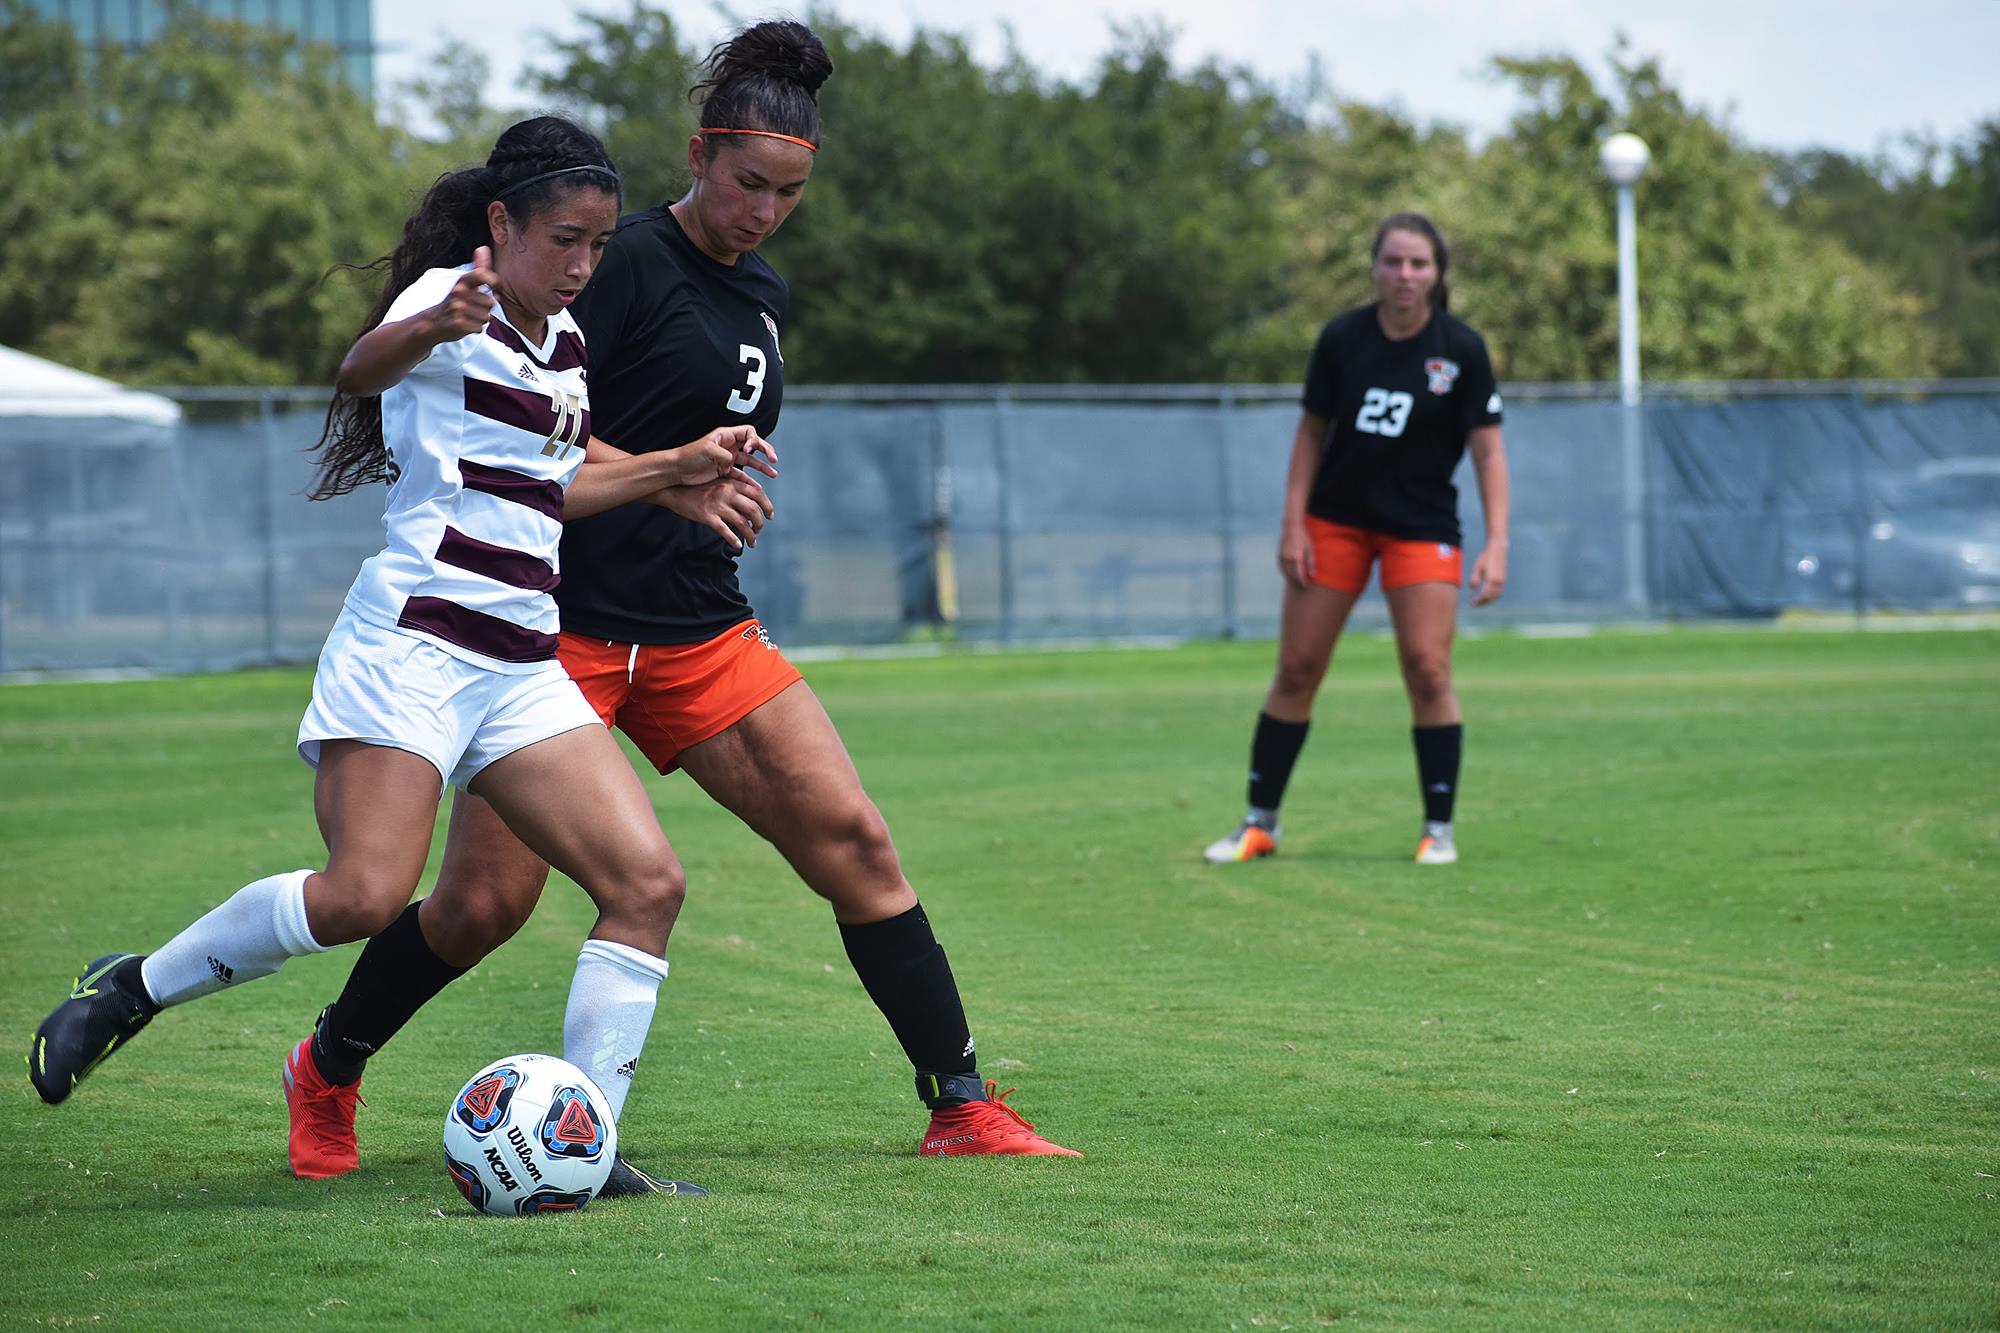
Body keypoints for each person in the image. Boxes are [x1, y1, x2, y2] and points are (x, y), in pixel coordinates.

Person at [279, 19, 1077, 1185]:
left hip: (700, 623)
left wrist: (713, 489)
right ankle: (328, 1068)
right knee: (480, 905)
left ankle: (958, 1100)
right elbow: (529, 422)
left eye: (788, 193)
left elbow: (700, 444)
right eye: (747, 182)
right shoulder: (612, 261)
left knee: (853, 840)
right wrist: (669, 480)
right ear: (699, 155)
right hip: (553, 628)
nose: (762, 211)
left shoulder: (762, 293)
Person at [25, 118, 774, 1202]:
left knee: (646, 883)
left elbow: (548, 486)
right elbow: (360, 366)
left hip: (518, 664)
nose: (580, 265)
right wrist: (432, 325)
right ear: (501, 224)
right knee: (364, 895)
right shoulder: (445, 296)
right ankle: (132, 988)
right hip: (415, 647)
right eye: (563, 238)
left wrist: (671, 469)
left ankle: (587, 1141)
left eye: (600, 245)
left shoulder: (562, 347)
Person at [1204, 212, 1510, 868]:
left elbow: (1488, 455)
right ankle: (1260, 822)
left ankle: (1439, 828)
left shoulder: (1461, 350)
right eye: (1393, 262)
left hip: (1423, 527)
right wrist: (1293, 523)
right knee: (1296, 667)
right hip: (1335, 522)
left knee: (1428, 668)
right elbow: (1311, 434)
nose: (1405, 275)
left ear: (1437, 273)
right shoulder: (1342, 338)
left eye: (1419, 264)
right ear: (1374, 267)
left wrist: (1498, 541)